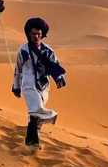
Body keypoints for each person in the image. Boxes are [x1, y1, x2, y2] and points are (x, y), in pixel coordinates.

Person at [12, 17, 67, 147]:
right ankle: (49, 118)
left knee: (34, 114)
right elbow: (18, 69)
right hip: (28, 83)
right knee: (35, 108)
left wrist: (59, 78)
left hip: (43, 85)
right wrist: (16, 86)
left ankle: (31, 141)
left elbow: (55, 64)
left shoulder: (47, 49)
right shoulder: (23, 49)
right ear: (29, 34)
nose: (36, 36)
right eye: (34, 34)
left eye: (39, 34)